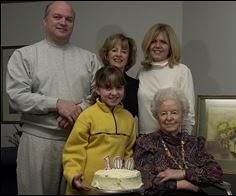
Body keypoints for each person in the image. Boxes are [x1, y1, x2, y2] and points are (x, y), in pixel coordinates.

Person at [5, 1, 101, 194]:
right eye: (57, 17)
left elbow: (98, 95)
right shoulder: (24, 55)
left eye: (69, 19)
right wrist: (57, 104)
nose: (63, 22)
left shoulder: (89, 58)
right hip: (37, 142)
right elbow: (16, 97)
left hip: (78, 142)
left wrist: (78, 109)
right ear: (45, 21)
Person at [134, 87, 223, 195]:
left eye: (174, 112)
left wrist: (183, 173)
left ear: (183, 115)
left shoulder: (194, 143)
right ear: (157, 116)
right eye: (163, 113)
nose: (169, 118)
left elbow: (215, 173)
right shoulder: (146, 142)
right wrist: (182, 184)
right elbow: (144, 179)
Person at [63, 65, 137, 195]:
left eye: (119, 87)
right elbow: (73, 151)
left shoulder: (129, 119)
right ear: (97, 89)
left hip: (115, 189)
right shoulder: (87, 116)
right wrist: (73, 175)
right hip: (86, 187)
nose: (114, 93)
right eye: (108, 88)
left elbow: (128, 152)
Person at [138, 23, 195, 135]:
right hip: (145, 138)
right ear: (148, 45)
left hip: (173, 139)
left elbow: (189, 113)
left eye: (163, 42)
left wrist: (184, 140)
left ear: (171, 46)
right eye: (153, 41)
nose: (157, 45)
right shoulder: (142, 72)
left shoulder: (182, 71)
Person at [99, 33, 139, 117]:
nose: (119, 54)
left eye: (124, 52)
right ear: (106, 55)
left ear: (129, 57)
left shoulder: (135, 85)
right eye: (114, 50)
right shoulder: (97, 80)